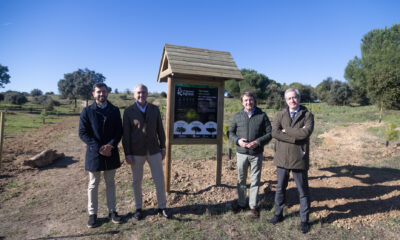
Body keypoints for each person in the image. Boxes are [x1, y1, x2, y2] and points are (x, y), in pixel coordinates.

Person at [269, 88, 314, 233]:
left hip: (299, 157)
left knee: (303, 191)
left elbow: (306, 133)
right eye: (289, 98)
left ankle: (304, 220)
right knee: (280, 188)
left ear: (299, 98)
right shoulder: (280, 114)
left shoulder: (307, 115)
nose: (292, 101)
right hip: (282, 157)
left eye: (294, 98)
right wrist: (295, 136)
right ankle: (278, 214)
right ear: (285, 100)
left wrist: (286, 130)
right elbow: (274, 132)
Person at [122, 84, 170, 220]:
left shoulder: (154, 109)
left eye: (143, 92)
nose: (141, 95)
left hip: (154, 150)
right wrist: (127, 153)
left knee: (159, 180)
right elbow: (125, 134)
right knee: (137, 181)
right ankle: (138, 208)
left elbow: (160, 130)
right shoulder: (128, 111)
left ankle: (162, 207)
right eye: (138, 93)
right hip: (136, 152)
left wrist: (163, 147)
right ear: (134, 95)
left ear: (147, 94)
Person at [79, 82, 123, 228]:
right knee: (93, 184)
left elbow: (119, 131)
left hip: (111, 152)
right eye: (98, 92)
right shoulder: (87, 111)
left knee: (110, 183)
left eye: (104, 91)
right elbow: (83, 133)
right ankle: (93, 214)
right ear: (93, 94)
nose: (101, 94)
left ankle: (112, 211)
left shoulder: (115, 110)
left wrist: (110, 145)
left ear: (108, 93)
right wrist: (99, 147)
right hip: (94, 153)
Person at [228, 91, 272, 218]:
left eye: (251, 100)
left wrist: (258, 142)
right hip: (241, 154)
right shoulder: (238, 116)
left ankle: (253, 205)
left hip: (256, 154)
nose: (248, 102)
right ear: (242, 102)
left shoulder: (262, 115)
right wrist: (238, 141)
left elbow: (269, 133)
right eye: (246, 100)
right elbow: (230, 132)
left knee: (255, 180)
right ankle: (242, 203)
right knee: (241, 179)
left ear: (254, 101)